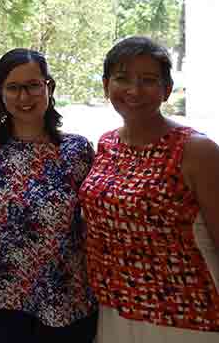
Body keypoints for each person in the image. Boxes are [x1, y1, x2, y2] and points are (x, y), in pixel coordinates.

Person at [79, 36, 219, 340]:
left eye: (148, 80)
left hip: (185, 314)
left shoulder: (197, 151)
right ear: (106, 86)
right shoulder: (106, 144)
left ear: (167, 89)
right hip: (115, 307)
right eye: (122, 78)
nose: (134, 90)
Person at [0, 48, 97, 342]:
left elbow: (95, 224)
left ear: (49, 87)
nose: (24, 97)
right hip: (7, 296)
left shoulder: (77, 151)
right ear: (0, 92)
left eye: (33, 85)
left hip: (68, 299)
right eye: (13, 88)